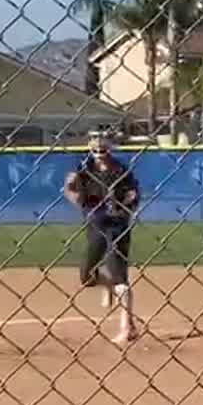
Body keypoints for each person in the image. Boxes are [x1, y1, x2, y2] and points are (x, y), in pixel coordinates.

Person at [63, 135, 140, 343]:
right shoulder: (83, 168)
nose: (99, 148)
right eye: (95, 144)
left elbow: (133, 198)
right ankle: (107, 286)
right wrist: (73, 188)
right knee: (86, 276)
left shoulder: (121, 171)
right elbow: (74, 195)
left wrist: (121, 206)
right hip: (95, 225)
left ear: (110, 147)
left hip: (117, 227)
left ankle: (128, 326)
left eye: (103, 144)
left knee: (119, 276)